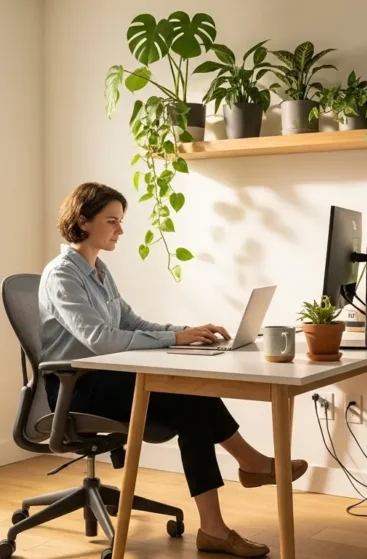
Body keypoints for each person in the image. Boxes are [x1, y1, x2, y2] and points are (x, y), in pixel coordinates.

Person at [38, 182, 308, 558]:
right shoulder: (62, 275)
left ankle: (235, 492)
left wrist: (185, 332)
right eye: (112, 221)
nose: (120, 230)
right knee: (190, 402)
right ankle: (245, 477)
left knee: (193, 396)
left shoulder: (98, 270)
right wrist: (174, 339)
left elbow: (130, 322)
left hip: (108, 377)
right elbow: (99, 339)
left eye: (121, 221)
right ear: (82, 222)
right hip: (78, 385)